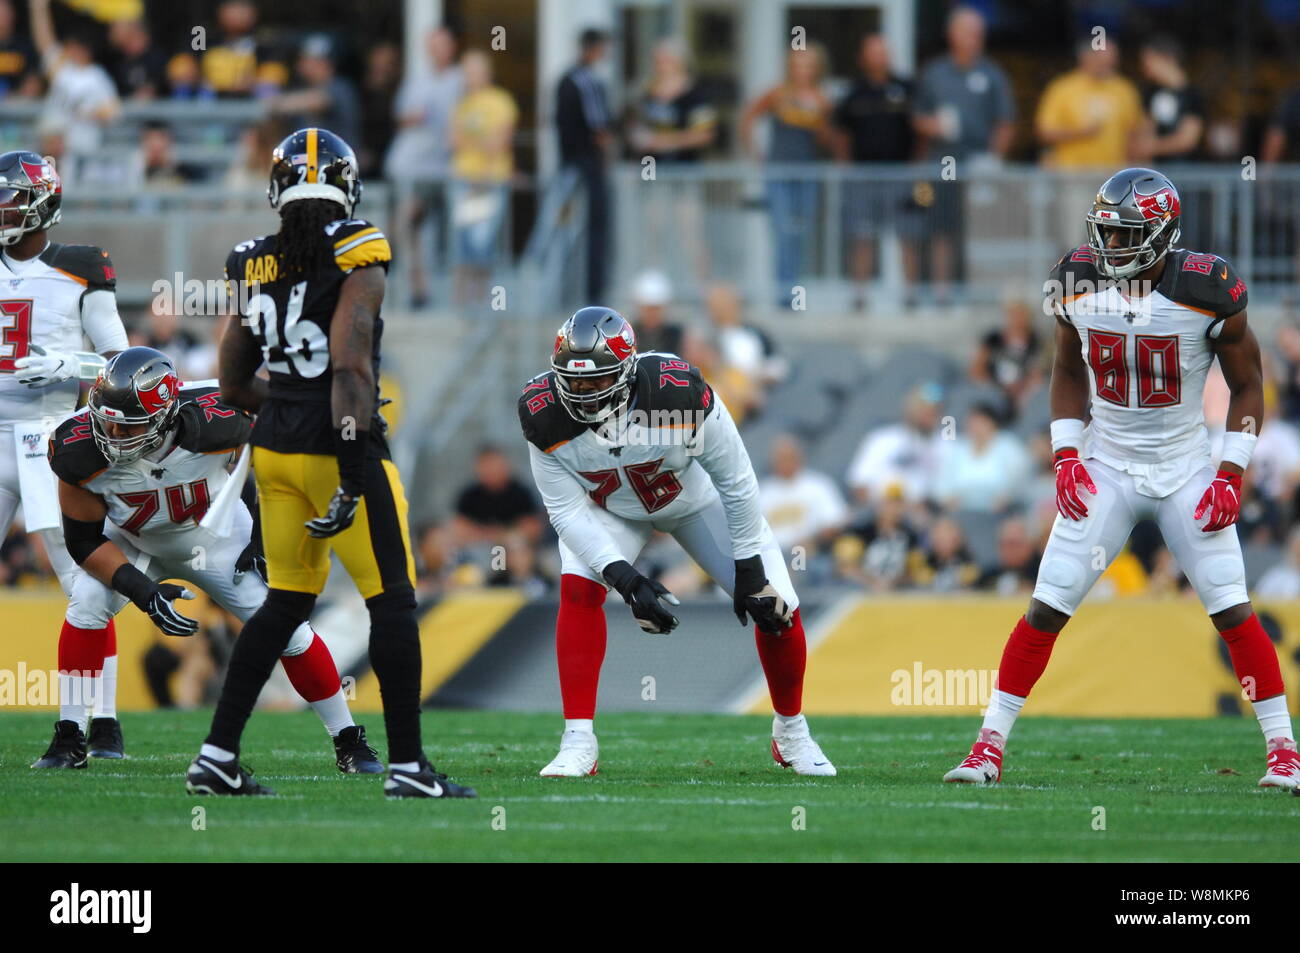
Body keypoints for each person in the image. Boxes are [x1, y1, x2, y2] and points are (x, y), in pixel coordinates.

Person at [943, 168, 1300, 791]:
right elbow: (1065, 369)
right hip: (1106, 462)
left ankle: (1284, 753)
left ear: (1163, 234)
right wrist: (1067, 455)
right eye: (1104, 233)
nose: (1109, 248)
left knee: (1232, 606)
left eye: (1125, 234)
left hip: (1187, 464)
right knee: (1047, 604)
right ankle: (986, 748)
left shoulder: (1206, 287)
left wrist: (1230, 471)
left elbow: (1248, 385)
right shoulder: (1076, 278)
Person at [186, 128, 475, 799]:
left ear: (277, 189)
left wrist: (289, 404)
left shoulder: (254, 259)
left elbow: (231, 383)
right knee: (393, 601)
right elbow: (349, 365)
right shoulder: (358, 248)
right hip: (333, 446)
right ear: (346, 187)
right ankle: (408, 767)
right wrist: (349, 466)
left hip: (274, 449)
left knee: (285, 601)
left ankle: (216, 755)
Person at [519, 307, 836, 777]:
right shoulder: (542, 412)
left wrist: (748, 564)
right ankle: (577, 742)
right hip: (611, 512)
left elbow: (736, 479)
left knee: (776, 609)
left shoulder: (677, 390)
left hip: (691, 502)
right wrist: (623, 577)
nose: (582, 394)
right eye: (574, 381)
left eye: (595, 381)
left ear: (626, 372)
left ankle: (791, 732)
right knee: (579, 588)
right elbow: (564, 510)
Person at [36, 348, 381, 774]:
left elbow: (277, 458)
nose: (111, 434)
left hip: (215, 533)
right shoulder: (78, 448)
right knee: (86, 602)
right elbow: (84, 543)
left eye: (127, 426)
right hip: (133, 539)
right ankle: (70, 736)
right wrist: (142, 591)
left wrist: (262, 534)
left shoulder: (218, 416)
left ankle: (349, 740)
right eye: (105, 420)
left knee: (286, 627)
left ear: (165, 415)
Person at [0, 150, 128, 755]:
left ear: (43, 202)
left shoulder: (79, 266)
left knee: (83, 582)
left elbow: (120, 362)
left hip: (53, 438)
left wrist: (60, 364)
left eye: (13, 199)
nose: (3, 210)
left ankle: (96, 720)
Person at [911, 6, 1014, 302]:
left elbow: (1005, 122)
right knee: (941, 227)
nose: (976, 38)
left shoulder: (992, 74)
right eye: (970, 32)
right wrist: (934, 126)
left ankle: (977, 291)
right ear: (952, 35)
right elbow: (917, 118)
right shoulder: (935, 73)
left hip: (979, 167)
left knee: (980, 230)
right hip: (941, 165)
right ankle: (942, 292)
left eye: (979, 33)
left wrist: (994, 160)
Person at [739, 46, 833, 309]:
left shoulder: (821, 98)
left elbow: (828, 141)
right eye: (798, 64)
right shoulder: (778, 94)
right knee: (781, 231)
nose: (803, 70)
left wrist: (819, 117)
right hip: (779, 173)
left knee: (799, 234)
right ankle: (784, 296)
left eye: (808, 65)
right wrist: (756, 155)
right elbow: (748, 117)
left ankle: (796, 292)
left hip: (806, 173)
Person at [833, 33, 915, 309]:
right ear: (863, 57)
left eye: (883, 52)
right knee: (862, 236)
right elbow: (841, 132)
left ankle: (910, 295)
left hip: (901, 174)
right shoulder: (854, 92)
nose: (878, 57)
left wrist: (918, 165)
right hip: (863, 176)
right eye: (873, 52)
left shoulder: (906, 89)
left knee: (908, 234)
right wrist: (846, 166)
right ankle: (860, 296)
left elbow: (920, 129)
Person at [627, 37, 716, 278]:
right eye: (658, 60)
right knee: (653, 234)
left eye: (666, 59)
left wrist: (667, 141)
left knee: (691, 234)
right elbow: (635, 125)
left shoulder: (695, 94)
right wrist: (640, 139)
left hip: (684, 173)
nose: (660, 64)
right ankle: (655, 296)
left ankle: (703, 291)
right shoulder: (648, 92)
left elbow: (705, 134)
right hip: (653, 174)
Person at [387, 25, 462, 309]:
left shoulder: (459, 80)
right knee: (411, 228)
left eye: (443, 45)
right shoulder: (417, 81)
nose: (438, 51)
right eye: (433, 46)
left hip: (441, 169)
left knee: (418, 224)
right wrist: (413, 117)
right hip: (409, 166)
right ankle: (419, 289)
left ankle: (440, 290)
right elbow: (401, 117)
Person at [450, 49, 518, 308]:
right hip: (465, 181)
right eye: (466, 72)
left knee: (483, 245)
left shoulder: (500, 101)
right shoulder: (462, 103)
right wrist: (479, 142)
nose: (470, 78)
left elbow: (498, 143)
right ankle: (463, 304)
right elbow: (453, 141)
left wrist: (474, 145)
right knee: (463, 245)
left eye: (474, 71)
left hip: (489, 181)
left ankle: (485, 302)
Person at [555, 28, 613, 304]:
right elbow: (599, 128)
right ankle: (593, 293)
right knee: (594, 230)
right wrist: (606, 156)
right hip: (586, 169)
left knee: (568, 229)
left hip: (569, 169)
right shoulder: (586, 81)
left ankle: (567, 292)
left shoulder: (565, 80)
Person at [1036, 39, 1144, 170]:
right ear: (1085, 58)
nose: (1108, 67)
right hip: (1072, 175)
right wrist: (1081, 132)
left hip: (1113, 176)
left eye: (1111, 62)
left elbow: (1134, 133)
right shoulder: (1062, 88)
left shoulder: (1124, 89)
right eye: (1101, 62)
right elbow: (1045, 132)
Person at [1138, 35, 1204, 164]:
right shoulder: (1151, 93)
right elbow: (1145, 131)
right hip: (1157, 176)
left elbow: (1187, 140)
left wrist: (1152, 146)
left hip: (1187, 172)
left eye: (1150, 61)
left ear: (1167, 58)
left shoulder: (1192, 95)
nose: (1146, 69)